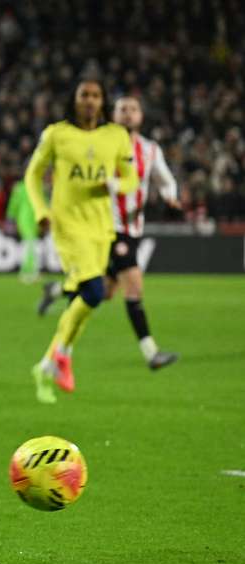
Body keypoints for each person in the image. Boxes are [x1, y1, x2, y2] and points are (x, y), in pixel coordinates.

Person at [26, 79, 139, 404]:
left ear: (103, 102)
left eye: (95, 95)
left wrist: (115, 184)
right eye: (84, 95)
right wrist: (40, 211)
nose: (89, 101)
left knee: (86, 300)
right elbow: (32, 175)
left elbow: (131, 178)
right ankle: (61, 355)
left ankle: (50, 361)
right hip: (68, 225)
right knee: (93, 291)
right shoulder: (56, 134)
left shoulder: (116, 136)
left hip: (102, 227)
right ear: (74, 100)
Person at [106, 96, 180, 369]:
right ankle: (151, 353)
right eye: (122, 109)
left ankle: (55, 290)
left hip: (133, 229)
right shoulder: (101, 145)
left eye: (133, 109)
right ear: (113, 115)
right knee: (134, 285)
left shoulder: (149, 150)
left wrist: (171, 198)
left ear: (141, 116)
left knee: (102, 291)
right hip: (108, 227)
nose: (128, 114)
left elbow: (166, 181)